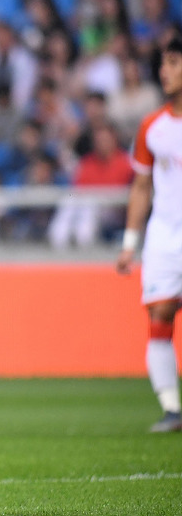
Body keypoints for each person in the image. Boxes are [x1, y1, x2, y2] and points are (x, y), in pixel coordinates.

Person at [116, 37, 182, 434]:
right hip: (164, 234)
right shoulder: (151, 127)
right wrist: (129, 243)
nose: (164, 71)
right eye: (162, 64)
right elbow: (141, 187)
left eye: (173, 62)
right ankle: (172, 408)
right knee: (159, 314)